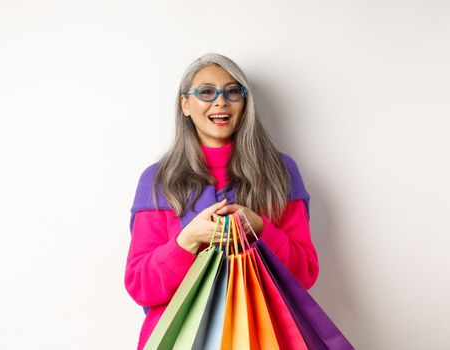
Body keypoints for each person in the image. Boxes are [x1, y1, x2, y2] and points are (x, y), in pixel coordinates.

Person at [124, 53, 319, 349]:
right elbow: (141, 286)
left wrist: (259, 228)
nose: (220, 101)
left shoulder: (281, 171)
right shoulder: (157, 180)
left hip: (265, 340)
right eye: (206, 92)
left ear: (245, 103)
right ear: (185, 105)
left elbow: (304, 273)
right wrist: (187, 241)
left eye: (232, 91)